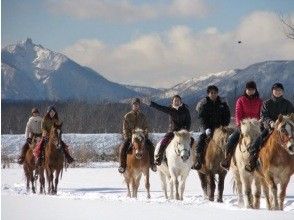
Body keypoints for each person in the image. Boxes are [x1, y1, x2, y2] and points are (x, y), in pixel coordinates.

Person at [245, 82, 294, 172]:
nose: (278, 92)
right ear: (272, 91)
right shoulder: (267, 103)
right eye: (276, 90)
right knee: (257, 142)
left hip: (284, 129)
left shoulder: (288, 104)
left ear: (283, 92)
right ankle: (252, 160)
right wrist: (270, 122)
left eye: (280, 90)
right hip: (269, 128)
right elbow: (263, 116)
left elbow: (291, 116)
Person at [221, 81, 263, 169]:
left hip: (255, 127)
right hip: (244, 126)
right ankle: (227, 159)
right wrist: (239, 124)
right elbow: (238, 113)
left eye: (252, 89)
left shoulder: (259, 101)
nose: (250, 91)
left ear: (255, 90)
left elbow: (261, 114)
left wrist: (260, 123)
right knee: (231, 139)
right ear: (246, 90)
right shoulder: (241, 100)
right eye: (249, 89)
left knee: (264, 140)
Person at [193, 85, 231, 170]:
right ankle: (198, 161)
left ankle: (229, 160)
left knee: (230, 140)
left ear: (217, 93)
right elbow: (202, 118)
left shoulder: (222, 104)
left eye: (215, 93)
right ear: (208, 94)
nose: (213, 94)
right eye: (211, 93)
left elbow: (227, 116)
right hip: (208, 129)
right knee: (201, 140)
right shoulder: (205, 105)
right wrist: (206, 128)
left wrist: (224, 125)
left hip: (221, 129)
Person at [149, 95, 192, 166]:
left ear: (180, 101)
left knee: (192, 141)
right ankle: (159, 157)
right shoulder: (170, 109)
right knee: (164, 140)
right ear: (172, 102)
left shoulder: (185, 110)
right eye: (175, 100)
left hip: (183, 132)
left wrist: (186, 130)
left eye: (178, 100)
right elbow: (160, 108)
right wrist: (151, 104)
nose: (176, 102)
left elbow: (189, 121)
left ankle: (193, 159)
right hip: (173, 131)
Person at [118, 98, 157, 173]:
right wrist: (128, 137)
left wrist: (145, 135)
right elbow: (125, 129)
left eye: (137, 105)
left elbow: (146, 127)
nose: (136, 106)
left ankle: (152, 164)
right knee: (123, 147)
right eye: (134, 104)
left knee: (151, 146)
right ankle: (122, 165)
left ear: (139, 106)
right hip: (130, 137)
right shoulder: (127, 116)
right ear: (132, 106)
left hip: (142, 137)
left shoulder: (143, 116)